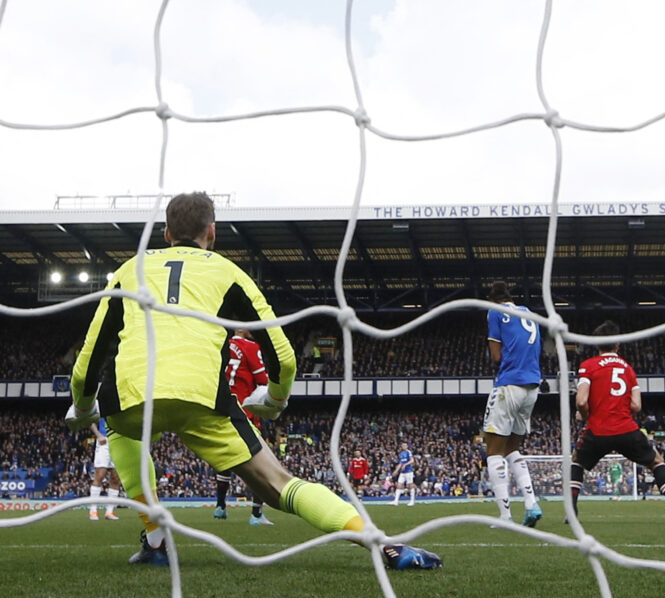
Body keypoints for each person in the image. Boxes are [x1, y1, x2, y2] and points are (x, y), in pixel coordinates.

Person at [66, 192, 440, 571]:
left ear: (165, 233)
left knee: (124, 434)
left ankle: (156, 542)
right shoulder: (227, 271)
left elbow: (90, 356)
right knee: (280, 485)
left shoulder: (131, 269)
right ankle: (382, 544)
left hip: (131, 395)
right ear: (211, 233)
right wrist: (276, 400)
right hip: (204, 398)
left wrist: (82, 406)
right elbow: (283, 355)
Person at [570, 320, 665, 524]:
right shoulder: (628, 369)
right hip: (626, 429)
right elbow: (636, 406)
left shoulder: (588, 366)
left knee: (576, 462)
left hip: (598, 429)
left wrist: (584, 414)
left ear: (596, 344)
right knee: (657, 462)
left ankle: (572, 510)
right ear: (618, 344)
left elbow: (581, 400)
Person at [483, 280, 542, 527]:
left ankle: (505, 516)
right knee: (512, 449)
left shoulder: (495, 312)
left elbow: (496, 355)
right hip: (532, 386)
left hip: (509, 383)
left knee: (493, 451)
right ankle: (531, 503)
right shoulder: (530, 313)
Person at [214, 328, 273, 526]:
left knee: (226, 457)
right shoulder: (250, 346)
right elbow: (263, 380)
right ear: (242, 328)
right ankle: (256, 514)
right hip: (244, 411)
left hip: (222, 409)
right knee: (259, 459)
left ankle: (220, 506)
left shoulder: (220, 343)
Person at [89, 418, 122, 521]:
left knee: (116, 478)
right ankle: (93, 510)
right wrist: (98, 435)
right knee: (100, 475)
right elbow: (89, 419)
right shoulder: (100, 403)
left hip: (119, 442)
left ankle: (109, 512)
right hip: (104, 441)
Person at [389, 442, 417, 507]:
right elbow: (400, 463)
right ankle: (396, 501)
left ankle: (412, 501)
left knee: (410, 486)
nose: (404, 446)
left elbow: (412, 460)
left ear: (407, 446)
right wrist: (396, 471)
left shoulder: (408, 452)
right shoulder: (401, 454)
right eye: (403, 445)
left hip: (409, 471)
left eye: (405, 445)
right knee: (399, 485)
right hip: (402, 472)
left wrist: (406, 464)